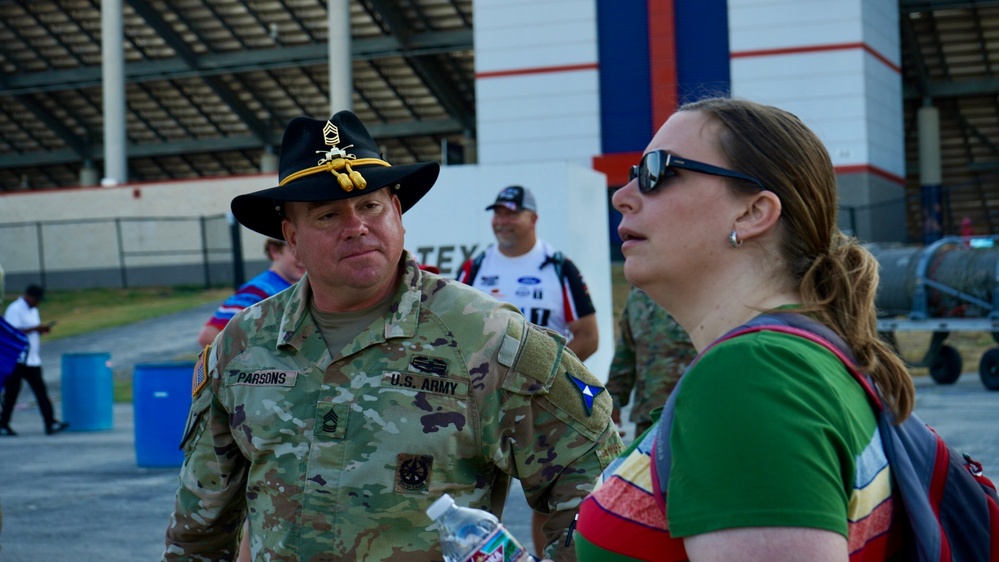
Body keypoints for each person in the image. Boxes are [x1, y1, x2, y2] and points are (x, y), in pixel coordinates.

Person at [162, 110, 623, 561]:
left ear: (398, 213)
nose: (357, 227)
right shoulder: (243, 345)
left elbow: (593, 469)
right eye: (328, 215)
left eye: (370, 205)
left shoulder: (484, 335)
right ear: (292, 237)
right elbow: (199, 532)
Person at [573, 97, 914, 561]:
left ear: (753, 213)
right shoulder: (795, 359)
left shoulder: (752, 376)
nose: (623, 194)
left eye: (656, 171)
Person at [456, 185, 600, 555]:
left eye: (511, 213)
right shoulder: (477, 266)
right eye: (497, 213)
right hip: (481, 402)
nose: (502, 221)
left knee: (549, 497)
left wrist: (541, 378)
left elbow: (588, 336)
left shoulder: (558, 267)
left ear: (533, 219)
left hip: (540, 402)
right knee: (476, 494)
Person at [605, 286, 694, 439]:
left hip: (693, 416)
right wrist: (612, 401)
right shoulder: (639, 295)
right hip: (648, 420)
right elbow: (626, 354)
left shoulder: (700, 287)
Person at [196, 238, 305, 348]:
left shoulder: (299, 287)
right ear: (275, 251)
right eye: (294, 249)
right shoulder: (258, 292)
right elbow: (208, 336)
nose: (304, 257)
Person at [0, 284, 69, 436]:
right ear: (29, 297)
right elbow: (12, 332)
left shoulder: (33, 310)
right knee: (12, 393)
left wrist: (40, 329)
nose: (38, 303)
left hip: (32, 359)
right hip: (17, 359)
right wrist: (35, 328)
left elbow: (32, 328)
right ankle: (3, 424)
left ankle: (50, 422)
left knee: (41, 392)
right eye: (37, 300)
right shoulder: (15, 309)